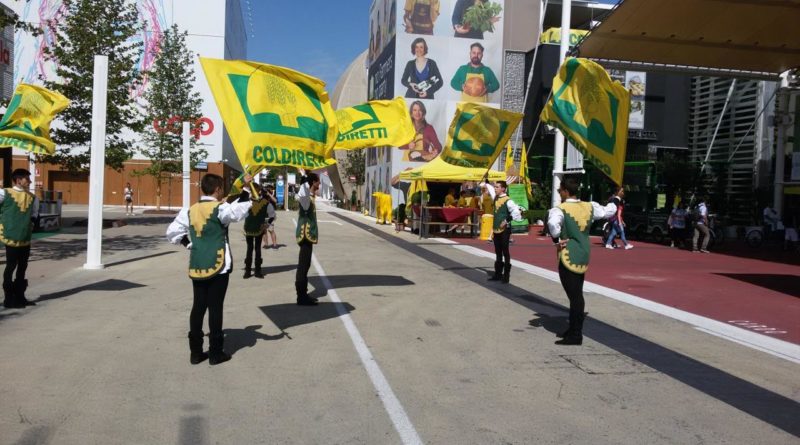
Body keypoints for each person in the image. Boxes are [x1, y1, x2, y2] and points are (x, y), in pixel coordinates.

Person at [166, 173, 253, 365]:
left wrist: (189, 244)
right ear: (218, 189)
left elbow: (172, 232)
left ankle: (196, 352)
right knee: (215, 307)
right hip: (218, 264)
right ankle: (215, 352)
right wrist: (246, 189)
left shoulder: (190, 210)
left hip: (198, 263)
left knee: (198, 306)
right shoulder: (219, 208)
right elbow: (238, 212)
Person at [547, 175, 617, 345]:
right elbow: (610, 210)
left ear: (565, 191)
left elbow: (553, 225)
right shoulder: (589, 206)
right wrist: (616, 199)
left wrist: (556, 239)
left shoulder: (560, 209)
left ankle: (576, 334)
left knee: (575, 296)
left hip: (569, 252)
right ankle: (572, 329)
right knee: (576, 292)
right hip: (584, 252)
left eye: (560, 190)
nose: (559, 193)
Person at [1, 169, 39, 308]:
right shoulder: (4, 193)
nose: (29, 181)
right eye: (26, 179)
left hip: (25, 237)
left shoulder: (33, 197)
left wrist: (30, 225)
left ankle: (20, 296)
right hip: (10, 236)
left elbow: (34, 214)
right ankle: (8, 298)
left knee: (23, 267)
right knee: (11, 266)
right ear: (18, 180)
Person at [486, 181, 522, 283]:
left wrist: (506, 221)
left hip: (505, 230)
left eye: (497, 187)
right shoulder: (496, 197)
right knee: (498, 252)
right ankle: (498, 274)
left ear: (503, 189)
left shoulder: (508, 200)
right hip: (496, 229)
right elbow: (490, 189)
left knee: (505, 251)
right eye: (495, 187)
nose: (495, 189)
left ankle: (506, 276)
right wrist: (487, 182)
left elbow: (517, 212)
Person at [295, 172, 321, 306]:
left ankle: (303, 294)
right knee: (303, 266)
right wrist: (304, 177)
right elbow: (303, 194)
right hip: (306, 235)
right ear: (313, 182)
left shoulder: (310, 197)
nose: (320, 183)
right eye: (318, 181)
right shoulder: (306, 198)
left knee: (305, 265)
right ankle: (301, 296)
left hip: (307, 235)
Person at [243, 184, 268, 279]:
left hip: (259, 228)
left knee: (257, 249)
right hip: (249, 228)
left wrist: (266, 224)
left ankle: (257, 271)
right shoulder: (247, 201)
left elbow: (271, 214)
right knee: (250, 249)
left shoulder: (264, 202)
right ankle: (248, 271)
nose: (254, 192)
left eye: (255, 190)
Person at [262, 184, 278, 249]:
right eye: (267, 189)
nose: (269, 190)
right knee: (264, 231)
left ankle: (275, 245)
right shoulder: (263, 195)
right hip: (263, 216)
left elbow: (275, 201)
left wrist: (269, 194)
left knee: (271, 230)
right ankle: (266, 244)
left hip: (271, 216)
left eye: (270, 189)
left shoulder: (272, 196)